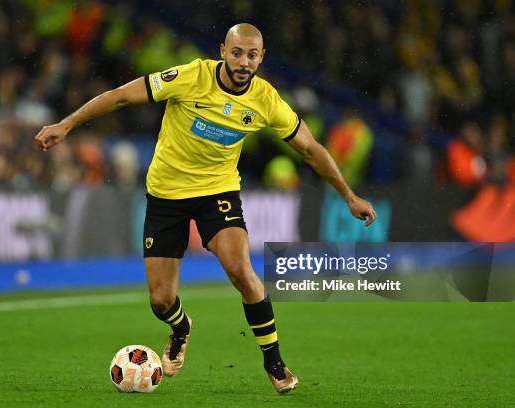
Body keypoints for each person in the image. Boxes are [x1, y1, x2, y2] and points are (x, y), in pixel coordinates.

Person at [35, 23, 377, 393]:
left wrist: (348, 195)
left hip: (218, 192)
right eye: (236, 53)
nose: (243, 62)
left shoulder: (266, 99)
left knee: (242, 271)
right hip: (166, 195)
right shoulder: (191, 76)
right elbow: (120, 96)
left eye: (252, 55)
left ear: (261, 58)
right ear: (222, 51)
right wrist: (66, 124)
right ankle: (181, 328)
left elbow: (310, 149)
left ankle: (274, 363)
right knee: (161, 299)